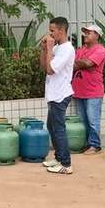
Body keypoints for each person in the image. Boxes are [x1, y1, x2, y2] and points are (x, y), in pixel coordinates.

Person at [40, 16, 75, 174]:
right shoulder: (57, 48)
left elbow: (50, 70)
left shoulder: (67, 49)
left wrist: (49, 47)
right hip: (53, 93)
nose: (50, 34)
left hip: (61, 94)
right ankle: (59, 157)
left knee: (58, 129)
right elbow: (43, 66)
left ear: (61, 30)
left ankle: (66, 164)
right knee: (51, 126)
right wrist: (45, 49)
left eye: (52, 30)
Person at [71, 24, 105, 155]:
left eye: (89, 32)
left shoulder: (100, 50)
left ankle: (95, 145)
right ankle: (86, 144)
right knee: (82, 121)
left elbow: (88, 63)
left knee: (93, 121)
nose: (85, 35)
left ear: (97, 35)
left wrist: (82, 63)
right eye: (85, 32)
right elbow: (73, 65)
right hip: (79, 91)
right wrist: (83, 63)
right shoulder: (81, 50)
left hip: (93, 92)